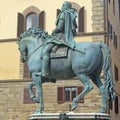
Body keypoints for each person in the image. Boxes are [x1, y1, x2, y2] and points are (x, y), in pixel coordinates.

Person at [35, 1, 77, 77]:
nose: (62, 7)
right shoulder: (71, 14)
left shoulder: (63, 14)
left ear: (67, 6)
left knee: (45, 51)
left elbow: (60, 27)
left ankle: (44, 72)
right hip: (66, 36)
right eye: (62, 5)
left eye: (64, 5)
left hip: (60, 37)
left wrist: (53, 31)